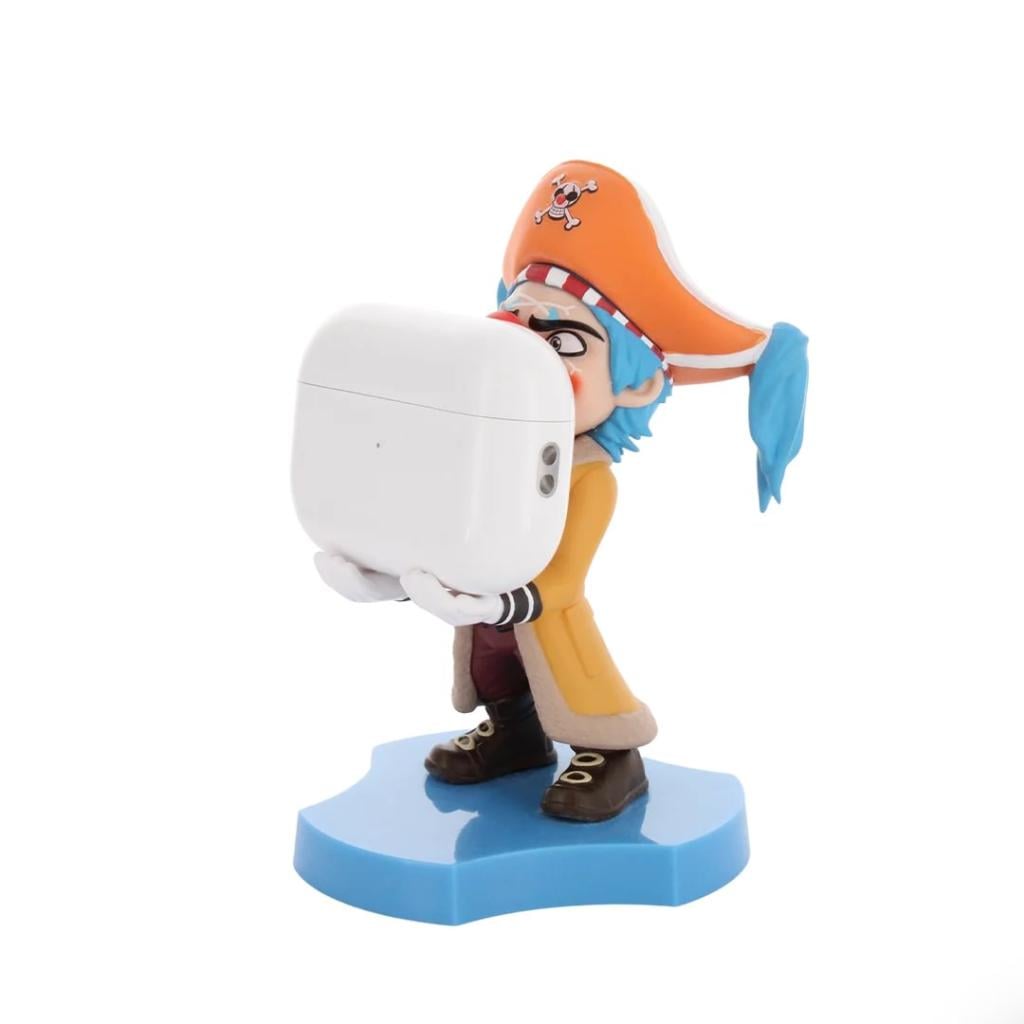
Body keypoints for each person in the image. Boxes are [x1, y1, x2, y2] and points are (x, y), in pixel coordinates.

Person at [314, 160, 808, 822]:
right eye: (515, 330)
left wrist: (495, 598)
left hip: (541, 610)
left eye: (564, 341)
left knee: (562, 663)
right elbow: (439, 522)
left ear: (636, 385)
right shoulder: (483, 450)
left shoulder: (587, 478)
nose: (529, 358)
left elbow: (564, 579)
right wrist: (391, 572)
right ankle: (514, 730)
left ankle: (611, 754)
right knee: (494, 663)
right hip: (489, 606)